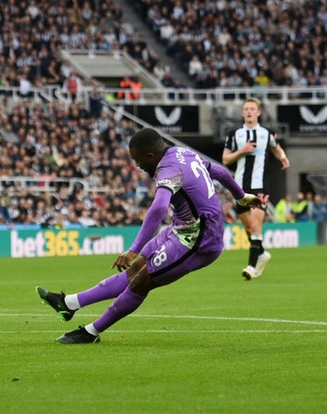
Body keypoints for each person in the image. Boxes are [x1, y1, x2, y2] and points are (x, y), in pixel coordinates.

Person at [36, 128, 264, 344]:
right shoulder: (183, 153)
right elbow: (220, 172)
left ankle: (91, 332)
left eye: (138, 160)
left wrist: (134, 247)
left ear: (151, 155)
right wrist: (241, 196)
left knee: (141, 281)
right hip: (181, 229)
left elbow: (158, 208)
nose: (137, 164)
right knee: (136, 270)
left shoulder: (168, 170)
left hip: (199, 241)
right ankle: (69, 303)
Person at [222, 98, 290, 280]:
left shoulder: (266, 133)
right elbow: (225, 159)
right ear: (243, 113)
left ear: (258, 112)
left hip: (260, 185)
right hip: (240, 187)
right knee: (247, 226)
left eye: (252, 109)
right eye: (246, 109)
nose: (249, 111)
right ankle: (262, 254)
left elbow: (276, 148)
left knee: (255, 224)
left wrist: (283, 157)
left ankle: (252, 266)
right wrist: (241, 151)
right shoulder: (234, 134)